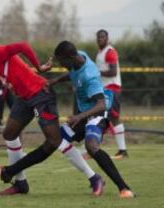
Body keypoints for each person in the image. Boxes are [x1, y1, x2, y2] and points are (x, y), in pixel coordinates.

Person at [0, 33, 103, 196]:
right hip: (25, 98)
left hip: (40, 95)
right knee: (9, 134)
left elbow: (23, 45)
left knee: (55, 140)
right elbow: (2, 77)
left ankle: (94, 178)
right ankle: (20, 183)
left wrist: (38, 67)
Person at [50, 41, 135, 198]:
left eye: (62, 62)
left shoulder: (90, 75)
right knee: (55, 138)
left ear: (70, 57)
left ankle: (124, 188)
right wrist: (54, 80)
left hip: (97, 113)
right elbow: (71, 72)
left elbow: (101, 105)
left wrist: (79, 116)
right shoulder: (78, 56)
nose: (61, 65)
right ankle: (95, 178)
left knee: (91, 146)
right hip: (84, 113)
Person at [96, 29, 128, 159]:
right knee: (102, 118)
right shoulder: (100, 52)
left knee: (113, 118)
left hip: (112, 89)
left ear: (107, 38)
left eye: (103, 37)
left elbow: (113, 72)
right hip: (105, 89)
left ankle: (122, 151)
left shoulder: (110, 52)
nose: (100, 39)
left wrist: (97, 73)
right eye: (98, 37)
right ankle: (94, 148)